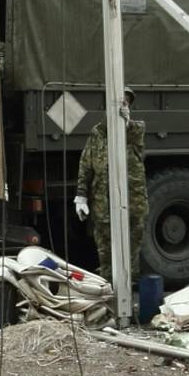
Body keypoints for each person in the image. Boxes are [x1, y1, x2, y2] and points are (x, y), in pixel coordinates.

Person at [74, 97, 148, 288]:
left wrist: (127, 123)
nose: (121, 108)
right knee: (106, 254)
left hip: (132, 204)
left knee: (130, 255)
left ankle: (128, 299)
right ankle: (109, 299)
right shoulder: (97, 133)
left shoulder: (135, 129)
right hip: (103, 205)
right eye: (117, 104)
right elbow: (86, 166)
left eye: (126, 104)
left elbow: (136, 140)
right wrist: (81, 196)